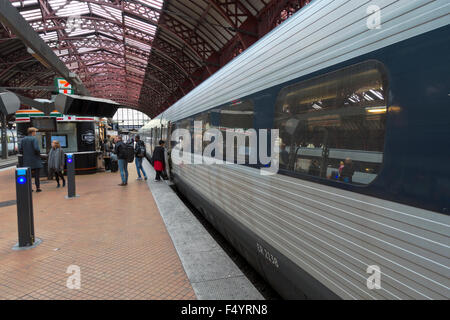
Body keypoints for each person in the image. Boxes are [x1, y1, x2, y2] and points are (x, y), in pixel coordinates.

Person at [18, 127, 43, 192]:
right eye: (35, 132)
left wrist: (26, 154)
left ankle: (30, 188)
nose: (35, 133)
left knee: (28, 175)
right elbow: (36, 148)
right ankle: (38, 188)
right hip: (35, 160)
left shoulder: (23, 139)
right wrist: (39, 155)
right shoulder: (34, 139)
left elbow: (20, 149)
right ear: (32, 132)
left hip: (26, 160)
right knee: (37, 175)